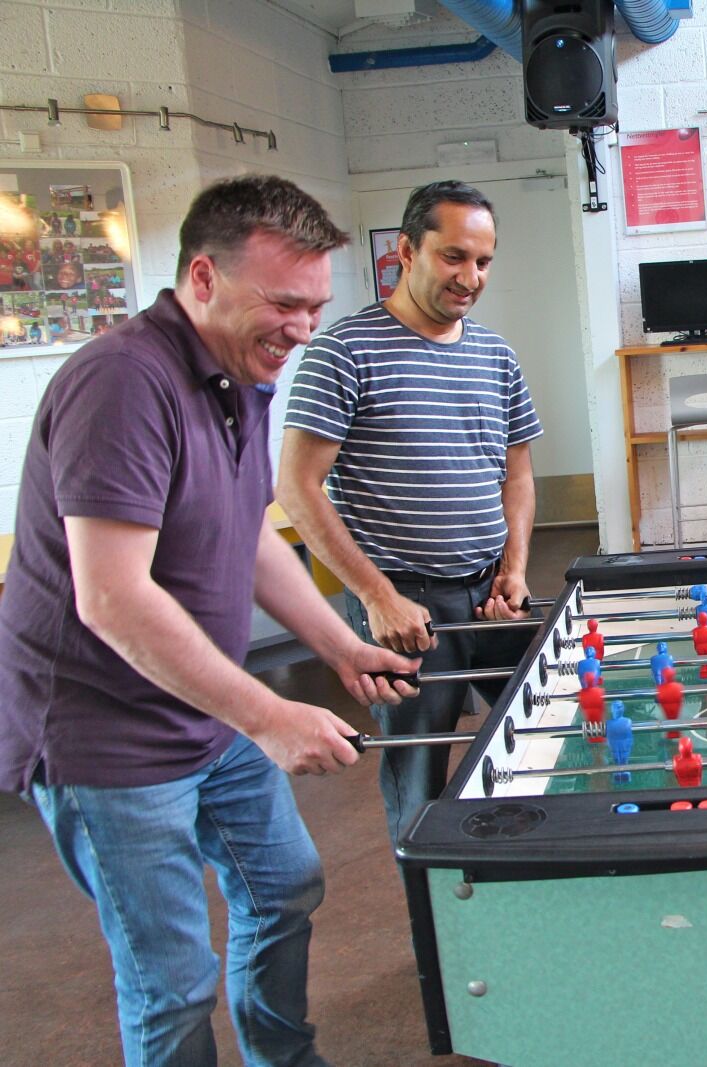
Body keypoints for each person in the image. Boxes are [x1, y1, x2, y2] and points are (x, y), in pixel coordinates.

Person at [0, 175, 420, 1067]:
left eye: (315, 308)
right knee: (171, 978)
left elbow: (250, 534)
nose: (301, 330)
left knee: (284, 886)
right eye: (283, 304)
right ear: (202, 277)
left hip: (206, 709)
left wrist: (341, 646)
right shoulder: (123, 383)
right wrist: (267, 715)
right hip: (107, 735)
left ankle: (283, 1058)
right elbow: (112, 596)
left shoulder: (239, 373)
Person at [278, 180, 542, 847]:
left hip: (492, 596)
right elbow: (298, 487)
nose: (470, 277)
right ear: (405, 250)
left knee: (539, 746)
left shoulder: (496, 354)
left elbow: (517, 474)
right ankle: (433, 911)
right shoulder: (343, 351)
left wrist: (514, 569)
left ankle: (525, 892)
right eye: (453, 256)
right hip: (404, 608)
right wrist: (377, 596)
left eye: (482, 261)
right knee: (419, 774)